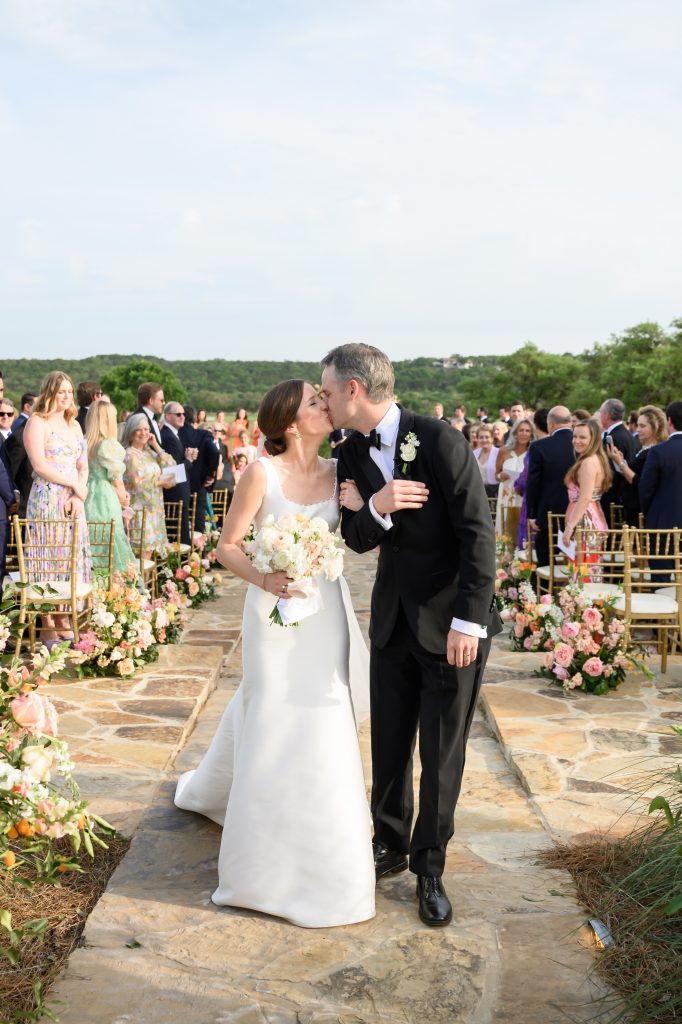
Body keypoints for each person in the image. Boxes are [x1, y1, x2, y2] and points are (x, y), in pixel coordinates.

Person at [175, 379, 375, 928]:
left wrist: (364, 509)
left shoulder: (342, 474)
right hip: (274, 617)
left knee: (327, 715)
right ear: (290, 421)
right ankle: (259, 869)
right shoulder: (259, 472)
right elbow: (227, 546)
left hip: (327, 611)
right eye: (316, 401)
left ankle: (332, 848)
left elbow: (359, 534)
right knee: (272, 716)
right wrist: (268, 579)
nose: (325, 406)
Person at [320, 343, 501, 928]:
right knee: (390, 746)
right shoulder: (347, 453)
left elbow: (478, 534)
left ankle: (430, 866)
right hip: (393, 622)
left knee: (441, 754)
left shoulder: (441, 439)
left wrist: (469, 621)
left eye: (327, 390)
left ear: (354, 390)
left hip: (453, 628)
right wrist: (375, 504)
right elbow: (357, 538)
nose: (324, 400)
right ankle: (390, 845)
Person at [23, 372, 92, 646]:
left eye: (70, 392)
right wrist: (74, 484)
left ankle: (64, 617)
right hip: (47, 498)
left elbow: (83, 465)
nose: (66, 397)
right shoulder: (37, 422)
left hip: (73, 500)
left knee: (68, 558)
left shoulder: (74, 425)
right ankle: (47, 622)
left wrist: (78, 493)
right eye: (61, 391)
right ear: (49, 392)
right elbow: (39, 465)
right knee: (48, 557)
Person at [84, 400, 137, 577]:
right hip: (105, 496)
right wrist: (124, 498)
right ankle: (117, 587)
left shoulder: (86, 442)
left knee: (93, 540)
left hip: (87, 496)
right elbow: (116, 478)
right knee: (111, 538)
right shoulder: (108, 444)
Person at [525, 406, 575, 568]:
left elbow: (533, 483)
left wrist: (531, 513)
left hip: (548, 514)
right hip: (578, 514)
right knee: (576, 561)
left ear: (551, 424)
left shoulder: (540, 447)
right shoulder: (584, 444)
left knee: (547, 561)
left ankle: (547, 591)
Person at [122, 413, 175, 557]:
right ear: (131, 432)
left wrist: (156, 445)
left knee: (149, 557)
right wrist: (160, 482)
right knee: (141, 558)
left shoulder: (149, 453)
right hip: (140, 512)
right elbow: (136, 483)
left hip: (155, 510)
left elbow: (172, 468)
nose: (143, 433)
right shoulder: (129, 454)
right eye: (139, 429)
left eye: (146, 429)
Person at [562, 420, 612, 565]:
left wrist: (570, 527)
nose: (577, 441)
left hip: (584, 522)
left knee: (582, 571)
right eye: (574, 436)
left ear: (593, 439)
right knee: (586, 569)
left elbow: (584, 498)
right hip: (589, 517)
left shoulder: (588, 462)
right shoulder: (594, 459)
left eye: (582, 437)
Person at [609, 405, 667, 523]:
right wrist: (621, 460)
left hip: (640, 512)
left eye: (643, 426)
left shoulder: (654, 452)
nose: (638, 429)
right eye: (638, 425)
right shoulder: (645, 449)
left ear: (655, 427)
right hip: (631, 508)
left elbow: (639, 482)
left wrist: (621, 463)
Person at [639, 400, 682, 549]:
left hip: (663, 522)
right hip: (664, 520)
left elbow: (645, 488)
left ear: (669, 421)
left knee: (661, 571)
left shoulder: (658, 451)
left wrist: (650, 512)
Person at [179, 405, 219, 533]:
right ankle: (198, 549)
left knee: (179, 519)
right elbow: (215, 453)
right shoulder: (203, 435)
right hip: (198, 483)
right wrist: (210, 475)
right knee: (198, 517)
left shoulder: (176, 434)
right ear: (195, 418)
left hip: (178, 484)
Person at [494, 418, 535, 538]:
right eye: (521, 430)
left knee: (521, 527)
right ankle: (504, 553)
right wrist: (500, 476)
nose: (524, 433)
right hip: (506, 493)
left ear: (531, 434)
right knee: (505, 525)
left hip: (524, 494)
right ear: (515, 433)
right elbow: (496, 474)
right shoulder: (504, 450)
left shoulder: (533, 452)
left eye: (527, 431)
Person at [160, 402, 193, 546]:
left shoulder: (174, 434)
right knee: (180, 537)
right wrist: (189, 460)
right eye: (178, 414)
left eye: (183, 414)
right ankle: (182, 566)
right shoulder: (168, 436)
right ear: (168, 416)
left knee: (183, 534)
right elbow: (172, 471)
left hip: (180, 492)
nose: (182, 417)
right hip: (175, 492)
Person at [515, 409, 548, 552]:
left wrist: (518, 486)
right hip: (556, 502)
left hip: (534, 501)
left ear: (535, 425)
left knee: (530, 544)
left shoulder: (536, 447)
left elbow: (527, 477)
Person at [599, 398, 635, 527]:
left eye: (600, 412)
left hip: (614, 497)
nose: (599, 415)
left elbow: (611, 469)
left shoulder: (615, 437)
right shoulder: (624, 433)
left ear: (607, 415)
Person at [473, 425, 498, 496]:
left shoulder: (499, 453)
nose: (484, 440)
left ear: (492, 438)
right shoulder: (474, 453)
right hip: (478, 492)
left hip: (494, 493)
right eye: (481, 437)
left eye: (487, 437)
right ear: (477, 439)